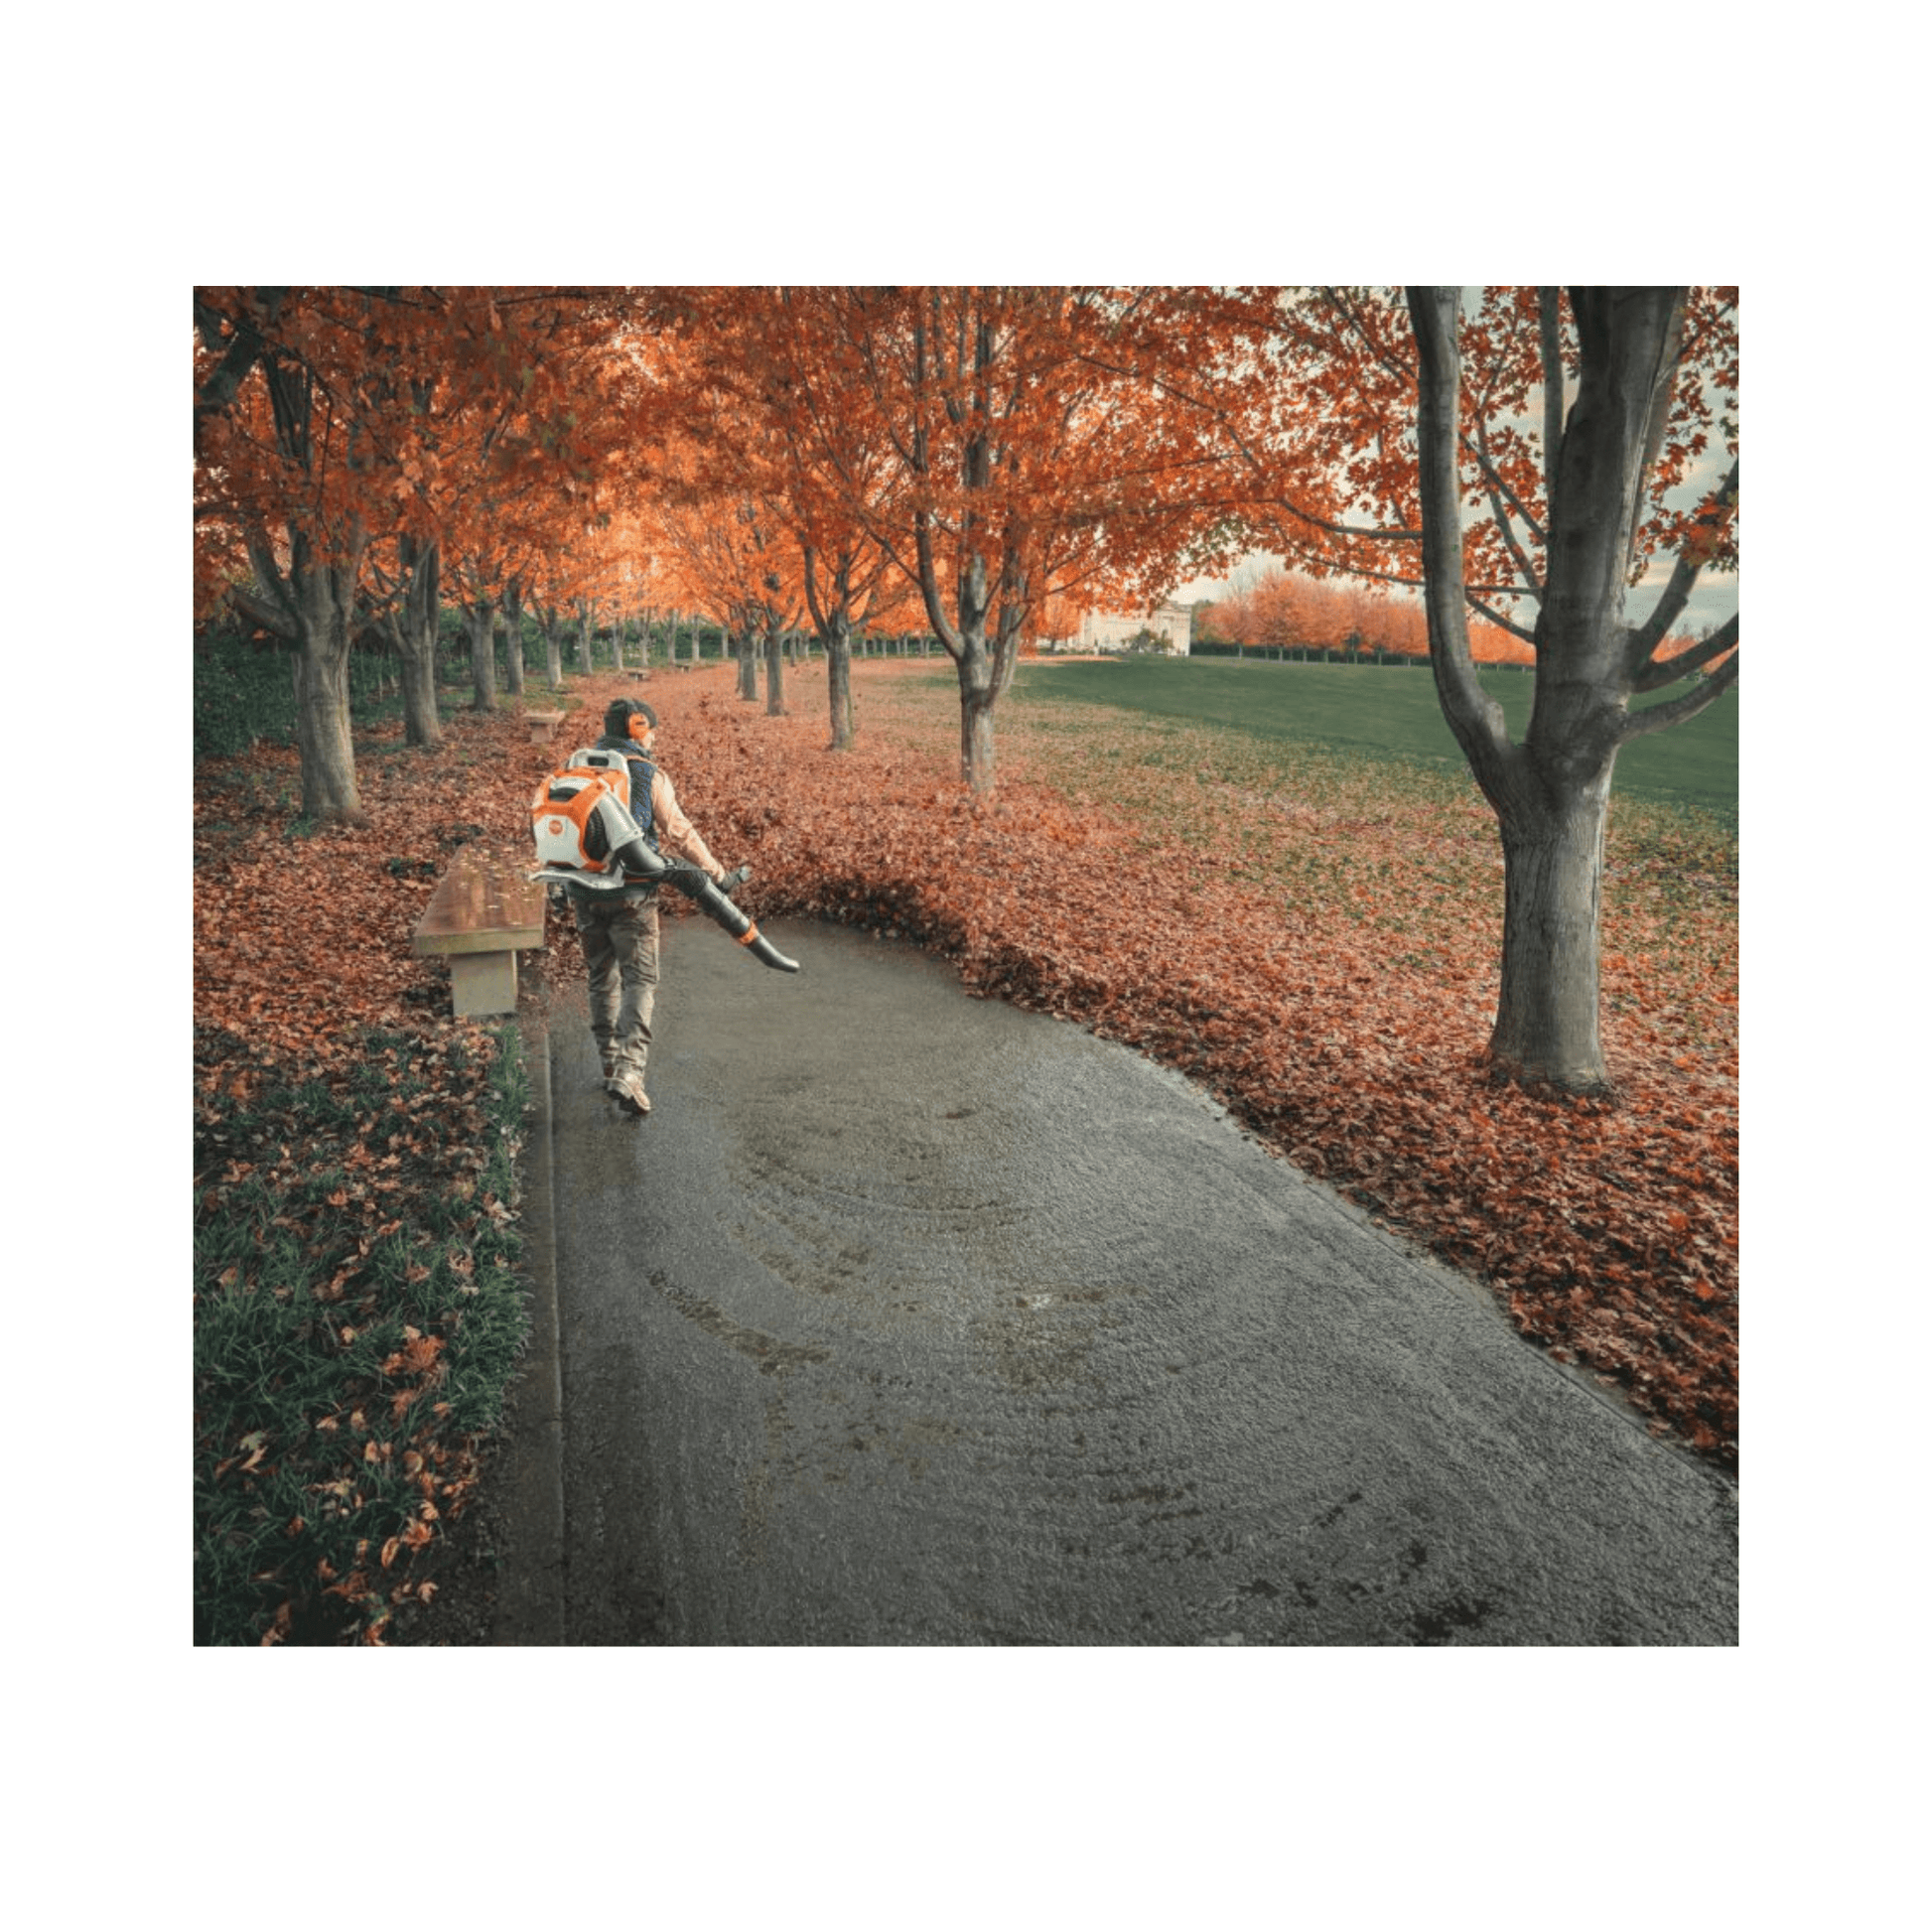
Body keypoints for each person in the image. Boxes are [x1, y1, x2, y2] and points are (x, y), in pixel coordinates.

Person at [561, 698, 737, 1118]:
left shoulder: (577, 769)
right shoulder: (646, 773)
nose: (655, 736)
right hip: (633, 895)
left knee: (601, 978)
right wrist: (715, 872)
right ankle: (630, 1072)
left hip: (584, 892)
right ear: (637, 729)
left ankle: (610, 1065)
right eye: (651, 729)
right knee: (640, 980)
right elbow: (679, 830)